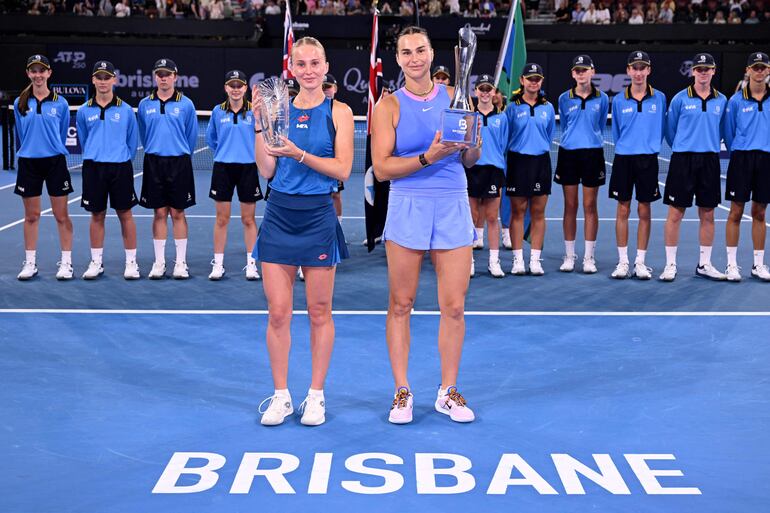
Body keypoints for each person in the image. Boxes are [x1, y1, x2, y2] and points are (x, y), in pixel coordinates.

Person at [372, 26, 480, 424]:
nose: (414, 58)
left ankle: (447, 392)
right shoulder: (388, 106)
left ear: (433, 54)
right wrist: (428, 157)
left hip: (452, 203)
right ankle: (402, 391)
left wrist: (472, 142)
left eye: (420, 50)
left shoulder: (457, 97)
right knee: (401, 304)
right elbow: (382, 170)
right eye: (406, 52)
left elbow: (470, 160)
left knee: (454, 306)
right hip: (408, 206)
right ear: (398, 59)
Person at [252, 37, 353, 427]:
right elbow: (267, 170)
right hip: (279, 214)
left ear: (326, 67)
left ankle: (315, 396)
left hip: (317, 216)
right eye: (301, 64)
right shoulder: (277, 110)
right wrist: (260, 124)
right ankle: (280, 396)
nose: (308, 70)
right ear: (291, 69)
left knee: (319, 312)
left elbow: (343, 170)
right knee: (278, 313)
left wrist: (300, 154)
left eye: (315, 63)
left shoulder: (339, 111)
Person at [661, 52, 727, 282]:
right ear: (693, 72)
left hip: (709, 160)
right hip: (683, 160)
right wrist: (684, 147)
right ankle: (670, 264)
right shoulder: (679, 99)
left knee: (708, 213)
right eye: (699, 69)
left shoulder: (722, 100)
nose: (703, 72)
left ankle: (705, 264)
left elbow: (724, 130)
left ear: (713, 71)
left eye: (707, 69)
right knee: (675, 213)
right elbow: (670, 131)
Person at [76, 60, 140, 280]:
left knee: (125, 214)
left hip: (120, 167)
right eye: (99, 77)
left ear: (114, 80)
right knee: (97, 215)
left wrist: (119, 157)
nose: (103, 82)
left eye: (107, 77)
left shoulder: (126, 110)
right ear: (93, 80)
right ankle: (96, 262)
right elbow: (84, 139)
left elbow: (132, 142)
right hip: (93, 168)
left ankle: (131, 263)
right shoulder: (83, 111)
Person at [14, 54, 74, 281]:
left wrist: (50, 147)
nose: (38, 75)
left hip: (55, 163)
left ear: (49, 73)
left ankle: (66, 263)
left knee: (61, 215)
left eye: (42, 71)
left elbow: (61, 133)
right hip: (29, 164)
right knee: (31, 216)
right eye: (34, 71)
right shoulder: (20, 103)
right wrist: (33, 148)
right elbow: (22, 134)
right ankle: (30, 263)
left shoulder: (61, 103)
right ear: (28, 74)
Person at [137, 58, 198, 279]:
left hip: (179, 163)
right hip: (154, 163)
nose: (163, 78)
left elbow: (191, 136)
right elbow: (144, 134)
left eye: (167, 74)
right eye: (160, 74)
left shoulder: (186, 104)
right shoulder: (145, 104)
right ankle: (159, 262)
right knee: (159, 213)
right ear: (155, 77)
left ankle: (180, 263)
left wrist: (178, 152)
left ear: (175, 77)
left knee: (178, 212)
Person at [608, 51, 666, 280]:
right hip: (624, 159)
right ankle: (623, 261)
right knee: (623, 209)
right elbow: (616, 131)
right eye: (635, 68)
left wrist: (649, 146)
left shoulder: (660, 98)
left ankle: (640, 262)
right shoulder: (619, 100)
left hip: (648, 160)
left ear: (649, 70)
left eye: (643, 68)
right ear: (628, 71)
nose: (639, 72)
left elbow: (662, 127)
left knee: (644, 210)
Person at [205, 70, 263, 281]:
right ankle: (218, 265)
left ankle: (251, 265)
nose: (236, 89)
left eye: (239, 85)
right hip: (223, 169)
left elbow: (263, 138)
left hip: (248, 169)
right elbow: (211, 139)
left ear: (246, 88)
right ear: (226, 88)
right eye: (232, 85)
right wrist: (226, 152)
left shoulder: (255, 112)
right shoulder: (217, 112)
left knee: (248, 219)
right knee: (222, 219)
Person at [555, 55, 609, 274]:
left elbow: (600, 124)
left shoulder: (602, 99)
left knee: (590, 206)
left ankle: (588, 257)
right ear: (572, 74)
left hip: (592, 155)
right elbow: (565, 124)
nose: (581, 74)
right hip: (568, 154)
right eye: (577, 70)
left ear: (592, 72)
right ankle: (569, 256)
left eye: (584, 70)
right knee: (570, 206)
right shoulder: (564, 98)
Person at [505, 63, 556, 276]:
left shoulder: (548, 107)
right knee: (517, 212)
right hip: (518, 162)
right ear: (522, 81)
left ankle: (535, 260)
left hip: (540, 163)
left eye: (537, 79)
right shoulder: (512, 107)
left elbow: (549, 135)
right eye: (530, 78)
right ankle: (518, 260)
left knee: (538, 212)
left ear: (541, 81)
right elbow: (506, 136)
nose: (533, 82)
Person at [722, 52, 770, 282]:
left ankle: (758, 265)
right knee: (736, 211)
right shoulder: (735, 101)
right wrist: (741, 150)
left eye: (762, 67)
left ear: (768, 70)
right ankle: (731, 265)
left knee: (760, 213)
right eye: (755, 67)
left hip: (766, 160)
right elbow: (729, 132)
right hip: (741, 159)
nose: (759, 71)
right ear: (748, 70)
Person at [467, 73, 508, 278]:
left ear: (494, 92)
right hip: (472, 169)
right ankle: (469, 261)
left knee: (492, 217)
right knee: (471, 217)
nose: (484, 92)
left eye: (488, 89)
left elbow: (503, 144)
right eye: (481, 89)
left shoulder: (502, 118)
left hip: (493, 171)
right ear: (476, 91)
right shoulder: (468, 117)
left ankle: (494, 262)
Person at [323, 73, 345, 227]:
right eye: (322, 87)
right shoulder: (314, 108)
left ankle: (338, 227)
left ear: (335, 88)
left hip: (336, 159)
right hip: (318, 158)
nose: (325, 90)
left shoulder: (341, 110)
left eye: (328, 87)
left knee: (335, 194)